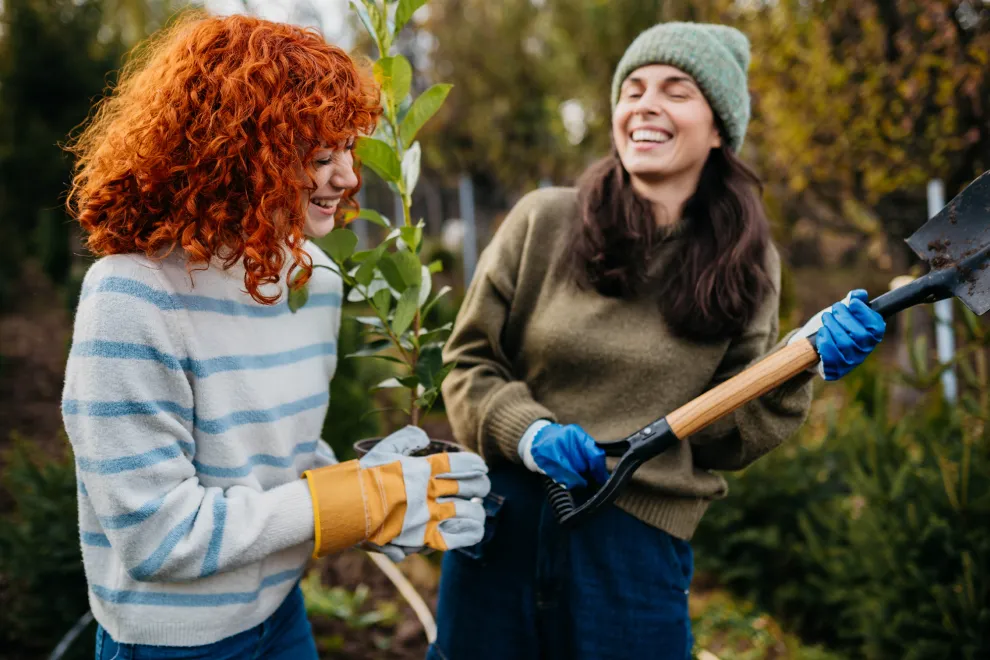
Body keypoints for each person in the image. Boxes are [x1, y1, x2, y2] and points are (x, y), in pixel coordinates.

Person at [431, 21, 885, 660]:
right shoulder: (543, 221)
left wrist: (801, 365)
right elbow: (469, 363)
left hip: (633, 548)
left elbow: (724, 438)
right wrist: (529, 434)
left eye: (676, 90)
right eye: (633, 88)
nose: (645, 104)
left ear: (719, 127)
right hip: (503, 525)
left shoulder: (748, 266)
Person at [61, 14, 489, 659]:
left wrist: (374, 500)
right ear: (239, 149)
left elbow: (279, 466)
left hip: (284, 619)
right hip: (177, 644)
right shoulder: (133, 297)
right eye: (321, 153)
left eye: (348, 148)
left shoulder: (311, 280)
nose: (348, 177)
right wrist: (352, 499)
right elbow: (157, 538)